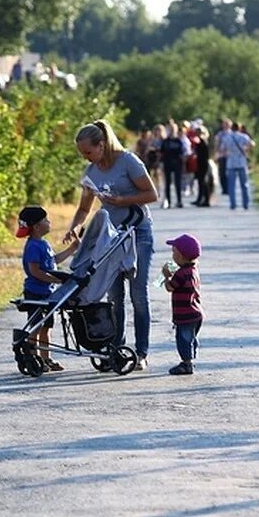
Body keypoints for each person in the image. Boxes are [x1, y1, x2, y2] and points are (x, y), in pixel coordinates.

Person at [64, 120, 159, 371]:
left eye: (88, 152)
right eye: (82, 153)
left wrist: (121, 200)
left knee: (138, 294)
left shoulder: (128, 161)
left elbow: (152, 194)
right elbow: (84, 208)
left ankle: (141, 352)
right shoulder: (91, 173)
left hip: (137, 232)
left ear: (102, 145)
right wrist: (75, 226)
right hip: (111, 239)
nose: (86, 158)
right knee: (113, 295)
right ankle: (116, 348)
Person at [17, 205, 80, 372]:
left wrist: (72, 249)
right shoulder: (33, 246)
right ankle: (33, 358)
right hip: (36, 293)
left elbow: (54, 261)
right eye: (45, 220)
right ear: (37, 226)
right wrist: (55, 280)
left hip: (47, 294)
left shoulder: (43, 243)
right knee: (35, 328)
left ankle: (46, 358)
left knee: (46, 328)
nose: (49, 222)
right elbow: (35, 271)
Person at [161, 233, 203, 375]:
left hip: (185, 315)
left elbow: (169, 287)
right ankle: (190, 358)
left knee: (183, 339)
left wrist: (166, 275)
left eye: (174, 252)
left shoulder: (181, 274)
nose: (172, 256)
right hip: (196, 313)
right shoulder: (193, 270)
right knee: (191, 338)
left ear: (181, 256)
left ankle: (186, 363)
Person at [218, 121, 255, 210]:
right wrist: (246, 150)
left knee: (231, 185)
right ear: (239, 128)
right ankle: (245, 204)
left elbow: (222, 149)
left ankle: (233, 204)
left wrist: (228, 153)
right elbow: (252, 144)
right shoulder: (244, 137)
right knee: (244, 184)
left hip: (231, 162)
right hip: (241, 162)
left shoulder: (227, 137)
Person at [160, 122, 186, 208]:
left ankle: (179, 201)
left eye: (173, 129)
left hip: (177, 163)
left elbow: (182, 153)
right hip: (167, 163)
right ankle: (168, 201)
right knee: (167, 183)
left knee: (177, 182)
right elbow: (162, 152)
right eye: (169, 129)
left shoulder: (178, 141)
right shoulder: (165, 141)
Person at [192, 126, 211, 206]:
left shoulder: (202, 140)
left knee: (203, 182)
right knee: (201, 182)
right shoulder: (202, 140)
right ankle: (200, 199)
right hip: (200, 163)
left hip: (203, 163)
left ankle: (205, 200)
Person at [214, 119, 233, 196]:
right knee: (221, 172)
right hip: (221, 155)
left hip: (229, 156)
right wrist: (216, 153)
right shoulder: (220, 134)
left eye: (226, 124)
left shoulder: (232, 134)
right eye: (224, 124)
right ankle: (224, 188)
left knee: (229, 172)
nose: (225, 125)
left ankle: (229, 188)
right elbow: (217, 144)